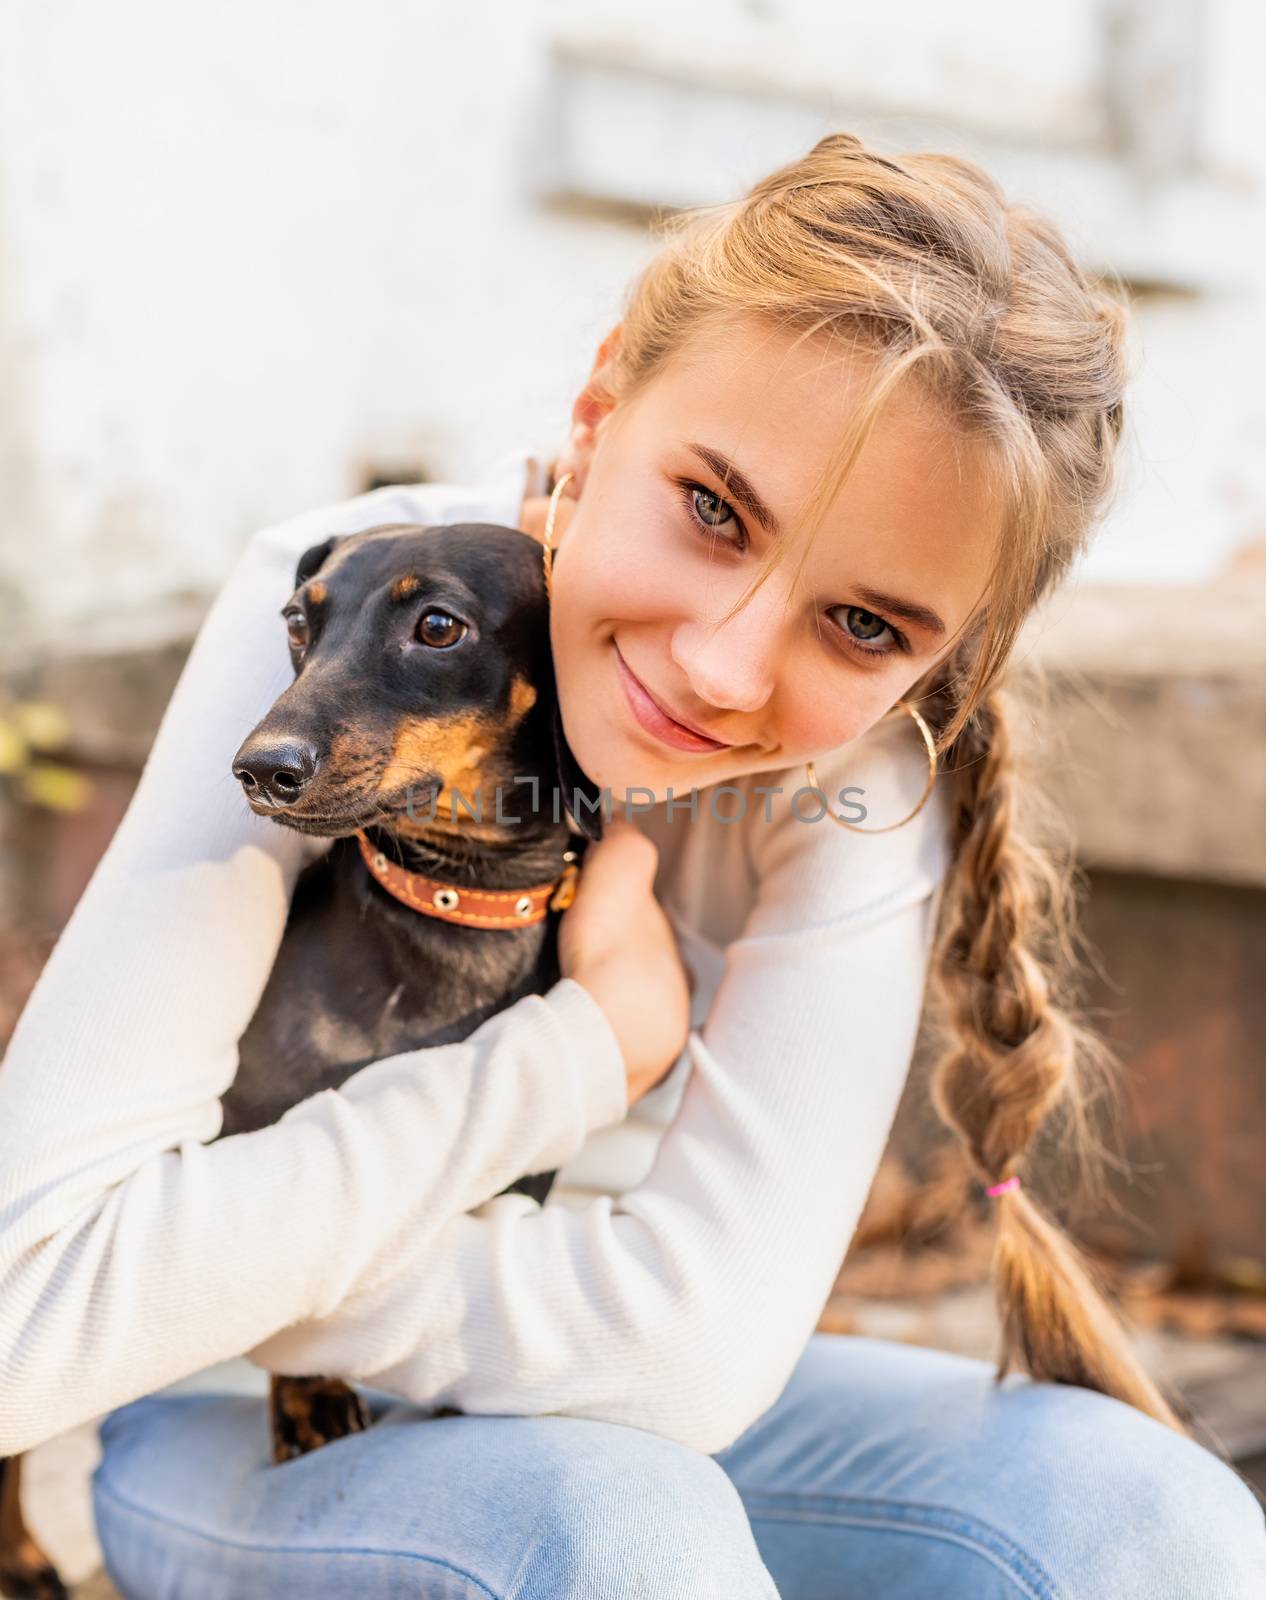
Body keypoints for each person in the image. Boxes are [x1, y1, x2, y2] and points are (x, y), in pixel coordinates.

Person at [2, 132, 1263, 1598]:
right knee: (611, 1533)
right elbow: (31, 1309)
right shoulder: (349, 599)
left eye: (866, 623)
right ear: (598, 414)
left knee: (1149, 1519)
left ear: (948, 659)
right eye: (712, 509)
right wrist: (583, 1049)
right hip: (237, 1418)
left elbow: (693, 1365)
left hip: (632, 1414)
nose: (724, 669)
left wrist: (194, 1253)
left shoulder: (857, 782)